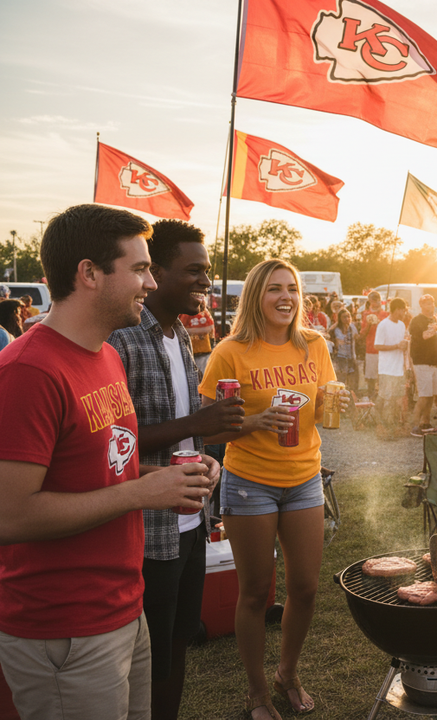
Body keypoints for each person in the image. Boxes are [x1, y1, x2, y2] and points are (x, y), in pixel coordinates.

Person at [0, 204, 215, 720]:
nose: (149, 281)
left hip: (123, 608)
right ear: (89, 273)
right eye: (139, 269)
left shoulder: (105, 355)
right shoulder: (28, 370)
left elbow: (102, 469)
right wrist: (141, 493)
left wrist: (164, 478)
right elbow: (10, 516)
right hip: (64, 629)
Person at [106, 218, 245, 720]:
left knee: (181, 637)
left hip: (191, 517)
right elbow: (109, 443)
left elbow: (188, 431)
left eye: (206, 271)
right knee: (150, 648)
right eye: (193, 271)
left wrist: (211, 444)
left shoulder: (180, 334)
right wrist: (199, 421)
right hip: (148, 524)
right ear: (156, 273)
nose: (205, 282)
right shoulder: (122, 340)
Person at [198, 259, 338, 720]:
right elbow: (207, 429)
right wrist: (254, 422)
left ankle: (288, 673)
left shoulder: (313, 344)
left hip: (304, 479)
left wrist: (339, 402)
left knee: (306, 587)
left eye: (292, 288)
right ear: (256, 295)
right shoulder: (230, 352)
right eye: (275, 288)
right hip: (249, 483)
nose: (286, 297)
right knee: (257, 591)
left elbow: (321, 402)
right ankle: (257, 692)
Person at [373, 298, 410, 436]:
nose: (404, 312)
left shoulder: (401, 325)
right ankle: (381, 424)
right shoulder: (383, 325)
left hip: (398, 368)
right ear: (397, 309)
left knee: (396, 399)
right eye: (403, 309)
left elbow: (401, 343)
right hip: (386, 368)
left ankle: (393, 425)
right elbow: (377, 346)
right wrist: (396, 346)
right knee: (386, 398)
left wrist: (405, 345)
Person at [409, 294, 437, 437]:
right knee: (424, 394)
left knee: (431, 395)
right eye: (427, 304)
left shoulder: (433, 319)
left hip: (434, 361)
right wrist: (435, 330)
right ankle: (414, 425)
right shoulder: (417, 320)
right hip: (422, 361)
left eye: (432, 303)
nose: (431, 306)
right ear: (421, 305)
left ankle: (425, 423)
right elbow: (424, 336)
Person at [358, 291, 389, 399]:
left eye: (378, 299)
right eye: (373, 299)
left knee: (383, 376)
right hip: (371, 348)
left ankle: (382, 397)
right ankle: (371, 396)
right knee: (371, 377)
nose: (376, 301)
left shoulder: (386, 314)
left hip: (383, 349)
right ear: (370, 301)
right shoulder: (366, 314)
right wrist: (369, 324)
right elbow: (362, 334)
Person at [180, 300, 216, 372]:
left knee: (202, 375)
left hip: (204, 351)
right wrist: (200, 331)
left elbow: (211, 327)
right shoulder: (187, 314)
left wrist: (195, 331)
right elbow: (180, 329)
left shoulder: (205, 313)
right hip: (191, 352)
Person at [331, 308, 359, 393]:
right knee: (341, 380)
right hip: (341, 357)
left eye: (348, 316)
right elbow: (340, 342)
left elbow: (357, 337)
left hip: (352, 357)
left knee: (353, 380)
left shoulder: (352, 327)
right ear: (340, 319)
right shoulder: (337, 329)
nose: (347, 319)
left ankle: (352, 396)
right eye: (344, 317)